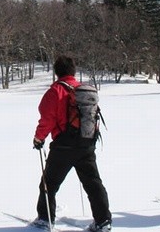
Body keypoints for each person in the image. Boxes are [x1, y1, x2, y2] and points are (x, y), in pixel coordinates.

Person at [32, 55, 111, 232]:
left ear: (57, 72)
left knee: (49, 183)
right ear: (73, 71)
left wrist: (39, 138)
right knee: (93, 183)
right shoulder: (83, 89)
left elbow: (47, 118)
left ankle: (45, 219)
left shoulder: (56, 91)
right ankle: (103, 221)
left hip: (64, 145)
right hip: (86, 143)